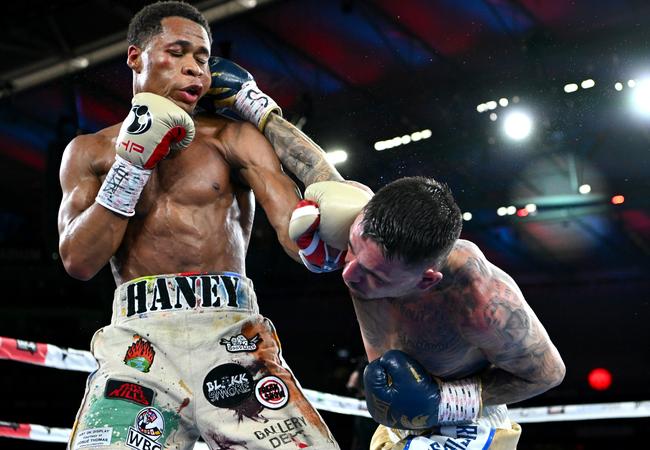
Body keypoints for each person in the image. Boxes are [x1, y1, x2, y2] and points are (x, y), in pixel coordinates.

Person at [210, 63, 566, 450]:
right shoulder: (355, 217)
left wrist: (447, 401)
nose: (350, 275)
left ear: (426, 278)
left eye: (376, 276)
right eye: (354, 253)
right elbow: (310, 164)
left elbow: (547, 373)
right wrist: (254, 105)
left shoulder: (482, 301)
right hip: (393, 416)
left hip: (468, 422)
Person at [57, 2, 341, 449]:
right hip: (139, 347)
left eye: (203, 58)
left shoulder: (232, 137)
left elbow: (291, 223)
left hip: (234, 338)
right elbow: (78, 259)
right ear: (136, 57)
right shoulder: (89, 151)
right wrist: (131, 165)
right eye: (179, 52)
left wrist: (319, 237)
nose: (195, 69)